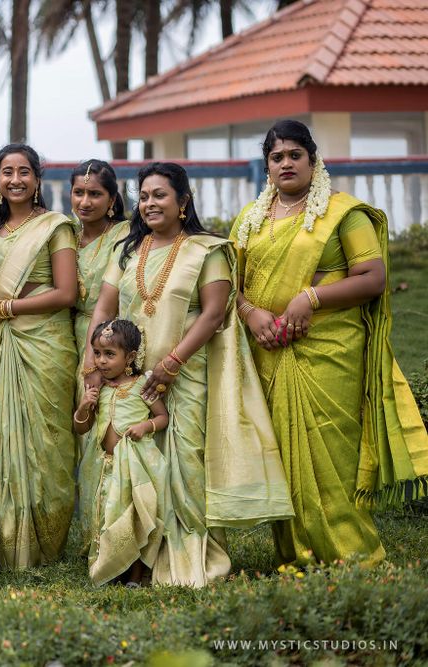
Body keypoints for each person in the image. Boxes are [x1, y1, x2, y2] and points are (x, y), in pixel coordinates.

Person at [83, 162, 292, 587]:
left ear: (183, 202)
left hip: (187, 373)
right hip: (132, 379)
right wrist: (93, 364)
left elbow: (215, 311)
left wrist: (172, 363)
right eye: (143, 197)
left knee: (186, 464)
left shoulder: (207, 249)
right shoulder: (127, 250)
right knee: (133, 463)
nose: (149, 204)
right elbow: (104, 308)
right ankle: (132, 555)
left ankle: (185, 556)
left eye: (159, 195)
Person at [232, 119, 428, 566]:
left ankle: (351, 555)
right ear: (267, 165)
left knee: (329, 456)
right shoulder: (250, 219)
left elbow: (373, 278)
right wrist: (250, 313)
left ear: (312, 159)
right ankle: (295, 554)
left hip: (329, 350)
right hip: (269, 350)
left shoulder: (343, 213)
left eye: (294, 155)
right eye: (276, 157)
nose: (286, 163)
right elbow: (230, 283)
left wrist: (311, 297)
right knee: (282, 456)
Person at [0, 143, 78, 570]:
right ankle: (10, 542)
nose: (15, 179)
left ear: (38, 179)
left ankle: (49, 540)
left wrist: (7, 308)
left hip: (46, 346)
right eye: (7, 172)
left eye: (24, 171)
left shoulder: (57, 227)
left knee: (48, 443)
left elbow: (66, 292)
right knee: (2, 439)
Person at [73, 319, 167, 587]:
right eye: (98, 353)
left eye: (110, 354)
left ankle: (136, 576)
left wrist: (145, 425)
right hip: (105, 468)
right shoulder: (96, 389)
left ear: (131, 357)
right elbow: (81, 428)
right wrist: (83, 408)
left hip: (134, 467)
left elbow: (163, 417)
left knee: (133, 517)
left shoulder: (142, 386)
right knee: (109, 518)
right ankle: (112, 568)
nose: (101, 361)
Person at [70, 159, 131, 547]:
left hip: (108, 342)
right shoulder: (63, 235)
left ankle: (109, 537)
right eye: (79, 192)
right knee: (75, 432)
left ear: (112, 200)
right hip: (61, 337)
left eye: (95, 194)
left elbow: (109, 303)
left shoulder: (124, 235)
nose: (85, 201)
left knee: (103, 431)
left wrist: (95, 358)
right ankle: (85, 530)